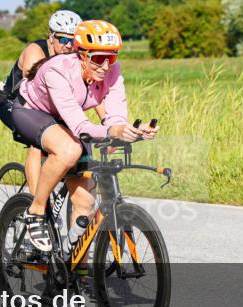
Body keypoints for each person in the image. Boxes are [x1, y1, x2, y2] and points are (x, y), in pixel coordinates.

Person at [11, 19, 157, 252]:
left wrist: (131, 132)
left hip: (68, 118)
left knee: (86, 203)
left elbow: (115, 115)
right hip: (32, 112)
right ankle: (35, 211)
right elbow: (80, 126)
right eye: (98, 58)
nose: (105, 66)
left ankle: (75, 267)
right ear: (81, 55)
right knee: (69, 150)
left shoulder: (112, 70)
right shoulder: (58, 69)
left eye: (112, 58)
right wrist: (111, 131)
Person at [0, 9, 81, 192]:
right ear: (51, 37)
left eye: (73, 41)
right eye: (64, 39)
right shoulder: (35, 52)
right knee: (36, 141)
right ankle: (35, 207)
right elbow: (33, 92)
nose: (69, 45)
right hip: (13, 102)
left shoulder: (73, 57)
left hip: (45, 107)